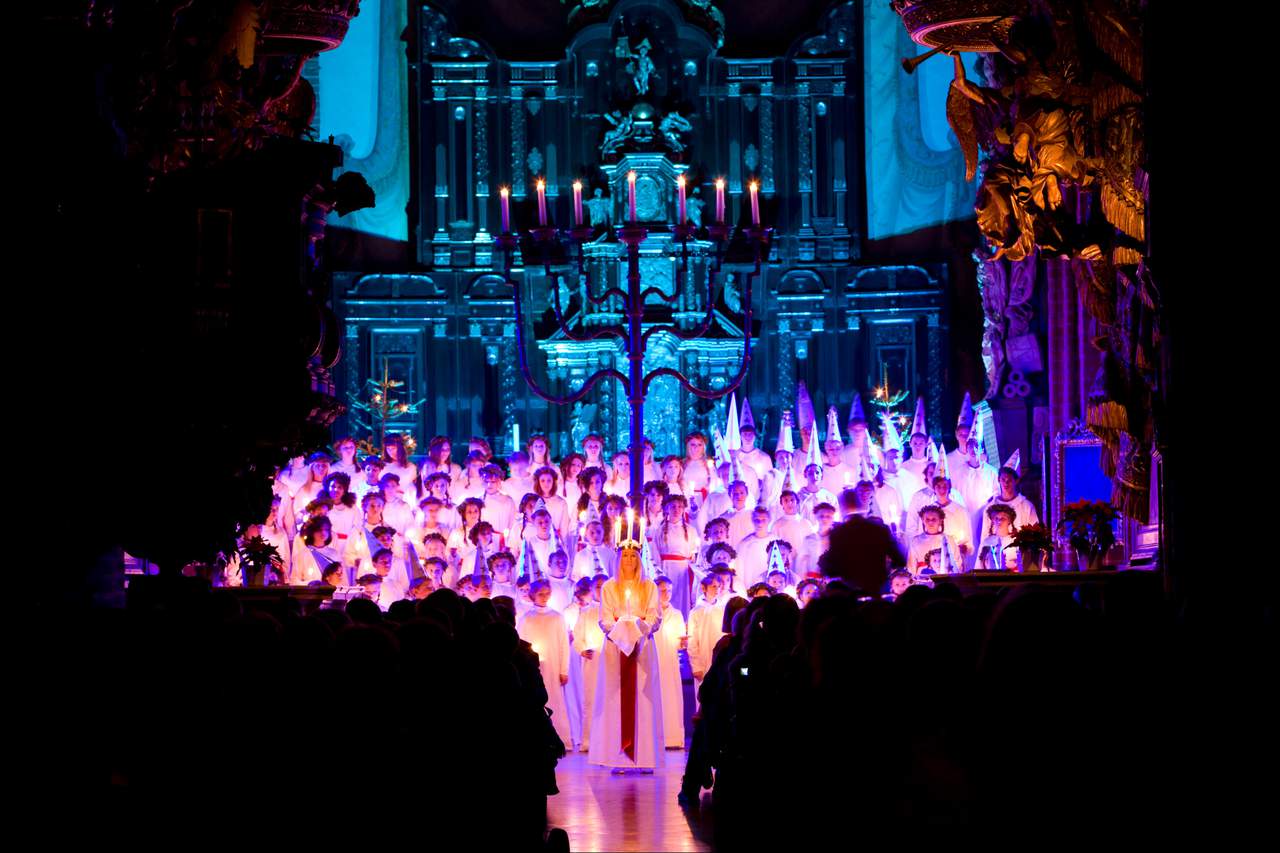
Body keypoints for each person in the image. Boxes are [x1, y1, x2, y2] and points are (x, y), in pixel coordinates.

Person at [589, 531, 664, 772]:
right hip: (615, 650)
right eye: (625, 556)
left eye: (634, 556)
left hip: (642, 648)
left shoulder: (649, 586)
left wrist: (640, 628)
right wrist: (623, 630)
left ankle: (644, 757)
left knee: (643, 699)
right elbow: (605, 619)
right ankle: (618, 758)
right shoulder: (610, 587)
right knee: (616, 698)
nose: (629, 560)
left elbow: (654, 616)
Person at [818, 487, 906, 595]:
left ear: (843, 507)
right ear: (860, 504)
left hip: (851, 591)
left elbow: (831, 568)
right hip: (877, 589)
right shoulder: (879, 528)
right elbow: (900, 559)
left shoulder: (838, 533)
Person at [518, 578, 572, 750]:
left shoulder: (556, 617)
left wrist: (564, 669)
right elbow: (522, 642)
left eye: (547, 594)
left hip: (553, 666)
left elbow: (563, 644)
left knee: (555, 699)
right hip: (534, 666)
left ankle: (561, 738)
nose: (544, 597)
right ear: (532, 595)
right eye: (540, 594)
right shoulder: (527, 618)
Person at [573, 574, 608, 752]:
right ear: (592, 589)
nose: (600, 590)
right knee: (591, 701)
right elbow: (577, 638)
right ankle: (588, 740)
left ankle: (608, 739)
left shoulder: (613, 612)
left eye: (604, 586)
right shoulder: (586, 613)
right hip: (592, 662)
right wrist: (582, 650)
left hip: (610, 663)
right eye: (597, 587)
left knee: (609, 701)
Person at [652, 574, 687, 749]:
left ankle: (672, 737)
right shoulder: (650, 613)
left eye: (669, 591)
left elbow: (679, 641)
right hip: (654, 660)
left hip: (670, 662)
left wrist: (682, 643)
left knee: (671, 697)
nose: (666, 594)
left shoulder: (677, 614)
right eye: (662, 591)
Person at [651, 494, 700, 618]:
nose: (676, 509)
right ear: (667, 508)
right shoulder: (660, 531)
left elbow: (694, 553)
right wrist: (658, 573)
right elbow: (655, 553)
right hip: (666, 569)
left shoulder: (691, 531)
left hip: (683, 572)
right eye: (673, 506)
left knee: (682, 601)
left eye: (680, 506)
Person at [686, 574, 725, 708]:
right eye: (714, 586)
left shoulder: (722, 609)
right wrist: (695, 666)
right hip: (703, 661)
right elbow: (691, 641)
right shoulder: (696, 612)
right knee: (704, 700)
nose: (717, 589)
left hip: (719, 658)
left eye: (719, 586)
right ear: (704, 588)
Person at [906, 505, 962, 576]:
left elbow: (957, 563)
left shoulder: (949, 540)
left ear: (940, 521)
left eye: (934, 519)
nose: (930, 522)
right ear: (923, 520)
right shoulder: (916, 541)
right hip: (922, 580)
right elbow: (911, 566)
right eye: (927, 519)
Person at [291, 516, 339, 585]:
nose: (323, 532)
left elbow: (342, 581)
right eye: (319, 530)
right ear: (312, 532)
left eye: (326, 529)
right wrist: (309, 584)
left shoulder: (334, 554)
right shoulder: (302, 555)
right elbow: (294, 580)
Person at [735, 507, 776, 588]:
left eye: (764, 520)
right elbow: (739, 571)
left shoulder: (776, 542)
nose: (760, 523)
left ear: (769, 520)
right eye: (757, 520)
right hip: (751, 588)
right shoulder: (744, 544)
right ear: (752, 521)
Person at [796, 502, 837, 577]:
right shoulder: (808, 539)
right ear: (816, 517)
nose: (824, 519)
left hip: (831, 579)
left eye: (828, 516)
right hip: (812, 580)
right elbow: (802, 562)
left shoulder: (837, 539)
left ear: (833, 518)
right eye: (821, 516)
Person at [769, 491, 814, 558]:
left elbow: (812, 545)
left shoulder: (806, 524)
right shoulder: (776, 525)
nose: (789, 503)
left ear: (797, 502)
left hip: (802, 562)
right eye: (786, 500)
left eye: (792, 500)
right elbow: (774, 547)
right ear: (782, 504)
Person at [978, 503, 1020, 570]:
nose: (999, 521)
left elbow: (1020, 565)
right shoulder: (987, 542)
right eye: (996, 518)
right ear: (993, 521)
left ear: (1009, 521)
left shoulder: (1015, 542)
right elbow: (979, 565)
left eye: (1003, 518)